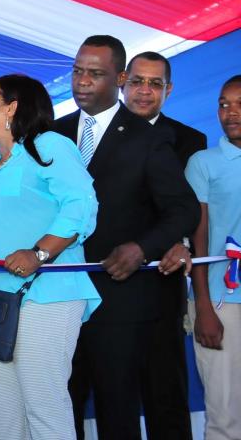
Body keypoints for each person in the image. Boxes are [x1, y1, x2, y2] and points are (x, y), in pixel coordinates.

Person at [52, 35, 199, 439]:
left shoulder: (148, 136)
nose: (82, 82)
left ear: (118, 78)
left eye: (94, 74)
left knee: (117, 408)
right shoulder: (53, 133)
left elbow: (183, 209)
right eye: (78, 72)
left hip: (120, 300)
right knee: (61, 405)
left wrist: (142, 248)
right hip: (58, 295)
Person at [0, 74, 100, 439]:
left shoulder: (48, 145)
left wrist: (39, 252)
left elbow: (80, 205)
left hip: (45, 295)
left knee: (44, 405)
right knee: (5, 415)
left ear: (11, 108)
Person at [123, 51, 206, 440]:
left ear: (168, 90)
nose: (145, 91)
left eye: (155, 84)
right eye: (138, 81)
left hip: (163, 279)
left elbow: (192, 207)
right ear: (123, 81)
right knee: (110, 394)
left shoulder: (190, 140)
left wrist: (183, 243)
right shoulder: (93, 133)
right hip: (103, 281)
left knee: (166, 394)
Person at [185, 75, 241, 440]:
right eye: (223, 104)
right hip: (223, 301)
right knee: (225, 414)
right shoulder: (203, 162)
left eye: (239, 104)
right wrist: (202, 305)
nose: (230, 112)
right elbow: (197, 238)